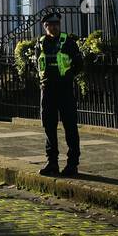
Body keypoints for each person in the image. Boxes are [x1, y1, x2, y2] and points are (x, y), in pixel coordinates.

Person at [36, 12, 83, 177]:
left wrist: (68, 76)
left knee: (70, 126)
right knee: (49, 126)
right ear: (45, 27)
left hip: (64, 89)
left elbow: (78, 64)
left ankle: (72, 164)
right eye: (51, 25)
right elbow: (38, 64)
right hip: (47, 89)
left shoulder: (68, 42)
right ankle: (52, 163)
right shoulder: (40, 43)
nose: (54, 27)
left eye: (56, 24)